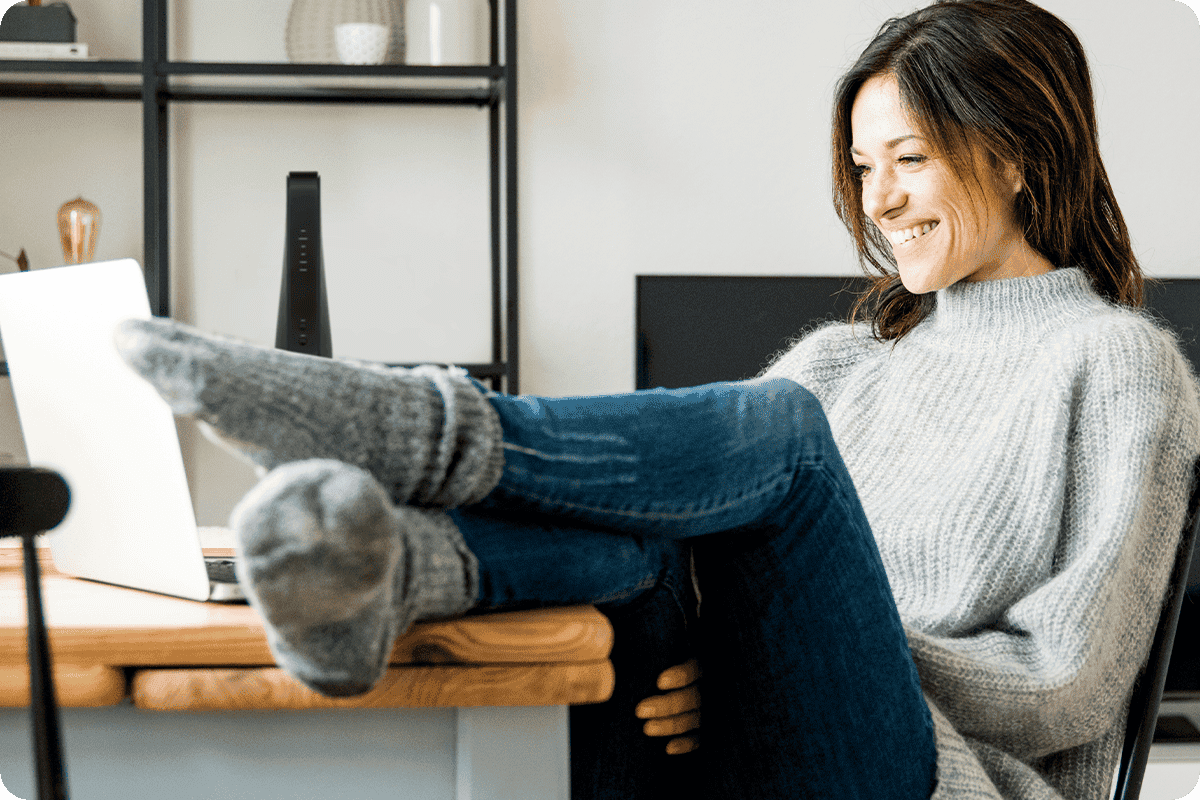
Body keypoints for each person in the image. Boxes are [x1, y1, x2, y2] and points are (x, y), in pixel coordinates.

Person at [111, 0, 1200, 797]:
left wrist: (780, 651)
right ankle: (392, 569)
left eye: (909, 157)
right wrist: (751, 650)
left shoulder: (1117, 368)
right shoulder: (844, 359)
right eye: (865, 166)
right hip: (732, 747)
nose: (881, 200)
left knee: (781, 433)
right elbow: (679, 554)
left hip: (934, 777)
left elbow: (1068, 684)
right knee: (641, 543)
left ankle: (411, 427)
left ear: (1014, 153)